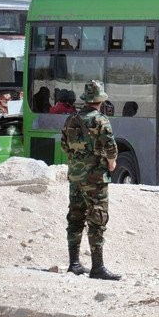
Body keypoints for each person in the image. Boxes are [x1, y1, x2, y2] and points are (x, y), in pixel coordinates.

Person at [60, 80, 121, 280]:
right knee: (97, 219)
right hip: (95, 178)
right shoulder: (101, 120)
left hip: (75, 177)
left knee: (75, 217)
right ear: (100, 100)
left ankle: (74, 263)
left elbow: (64, 146)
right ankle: (97, 267)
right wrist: (111, 162)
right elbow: (110, 146)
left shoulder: (71, 119)